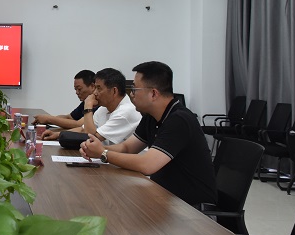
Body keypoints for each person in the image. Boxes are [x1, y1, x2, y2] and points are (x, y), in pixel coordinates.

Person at [80, 61, 217, 206]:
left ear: (153, 94)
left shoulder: (179, 120)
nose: (131, 94)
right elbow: (127, 148)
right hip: (164, 197)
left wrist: (103, 153)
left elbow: (147, 165)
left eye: (134, 89)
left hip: (192, 208)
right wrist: (95, 149)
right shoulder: (151, 117)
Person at [45, 68, 141, 143]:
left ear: (114, 91)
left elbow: (91, 137)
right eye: (95, 88)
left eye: (99, 88)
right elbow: (83, 129)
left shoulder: (125, 112)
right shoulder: (103, 108)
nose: (95, 93)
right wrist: (57, 134)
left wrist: (88, 106)